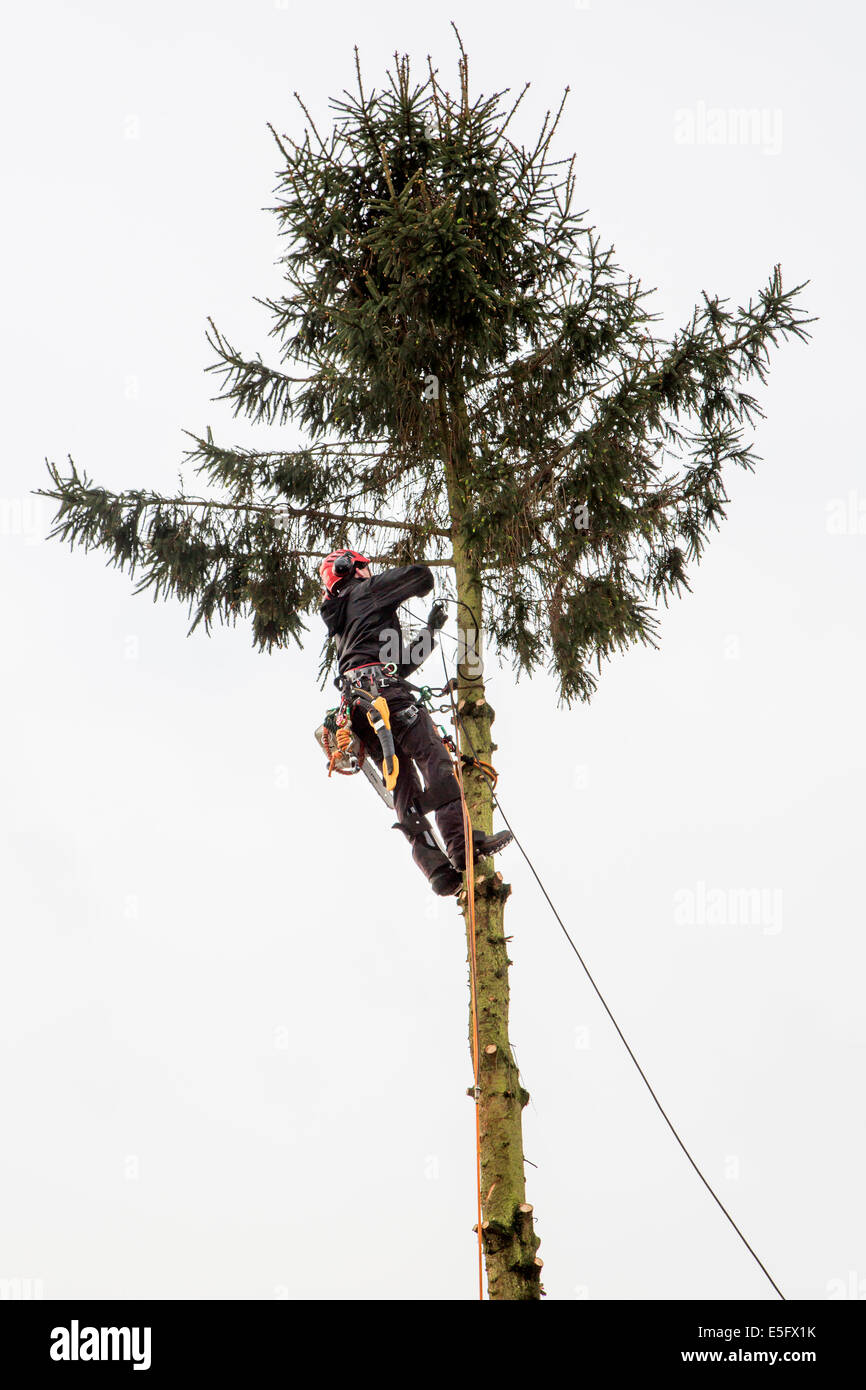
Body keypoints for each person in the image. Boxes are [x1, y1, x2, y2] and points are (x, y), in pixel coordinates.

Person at [319, 548, 513, 896]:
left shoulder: (343, 621)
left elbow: (400, 664)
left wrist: (429, 631)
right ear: (352, 569)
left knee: (403, 785)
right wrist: (393, 586)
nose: (369, 572)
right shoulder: (366, 591)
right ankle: (462, 844)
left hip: (360, 710)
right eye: (365, 568)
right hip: (387, 698)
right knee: (434, 758)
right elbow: (421, 576)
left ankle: (436, 868)